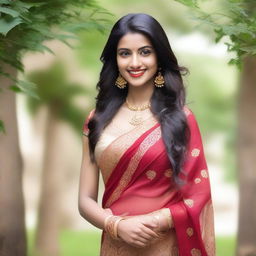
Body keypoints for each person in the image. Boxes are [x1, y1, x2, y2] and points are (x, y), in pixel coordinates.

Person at [78, 13, 215, 256]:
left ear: (159, 57)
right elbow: (85, 200)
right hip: (116, 244)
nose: (134, 62)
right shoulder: (96, 120)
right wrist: (118, 225)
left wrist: (155, 221)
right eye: (124, 53)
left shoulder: (180, 118)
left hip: (165, 244)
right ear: (115, 59)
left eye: (144, 52)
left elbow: (198, 194)